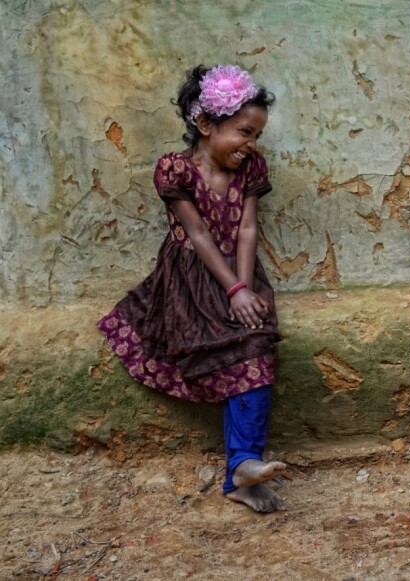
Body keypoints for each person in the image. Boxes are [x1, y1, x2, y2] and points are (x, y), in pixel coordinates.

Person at [98, 64, 287, 512]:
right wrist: (230, 289)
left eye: (256, 135)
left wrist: (242, 287)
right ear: (204, 125)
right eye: (244, 132)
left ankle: (243, 467)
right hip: (190, 277)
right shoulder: (175, 170)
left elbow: (246, 229)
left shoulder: (251, 168)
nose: (251, 144)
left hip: (237, 272)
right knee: (219, 350)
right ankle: (242, 468)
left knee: (256, 345)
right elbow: (199, 235)